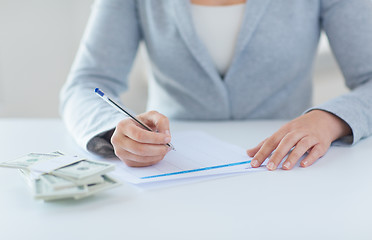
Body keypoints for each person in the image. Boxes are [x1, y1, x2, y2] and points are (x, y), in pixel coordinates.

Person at [60, 0, 372, 170]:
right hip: (172, 171)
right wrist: (116, 132)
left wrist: (330, 121)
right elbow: (86, 85)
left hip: (285, 169)